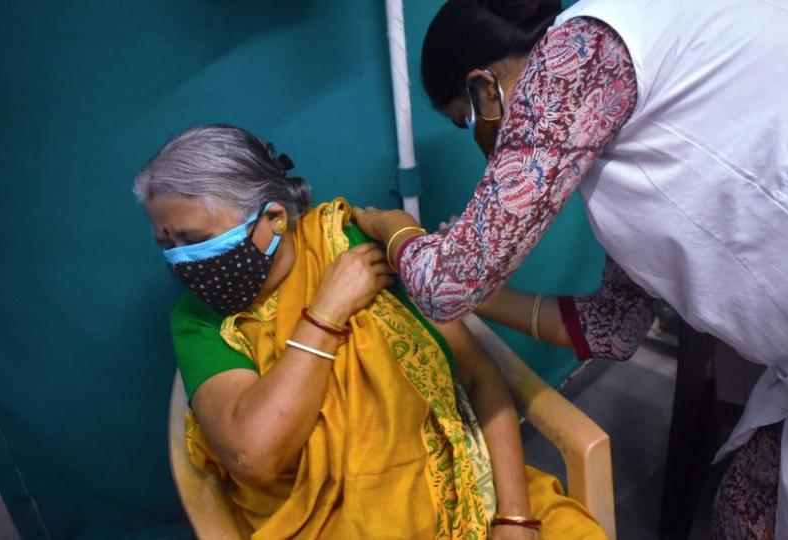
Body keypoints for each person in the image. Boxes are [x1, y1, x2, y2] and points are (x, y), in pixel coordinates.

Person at [354, 0, 788, 537]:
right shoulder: (631, 105)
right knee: (745, 500)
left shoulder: (582, 50)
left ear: (487, 88)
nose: (480, 137)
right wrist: (476, 295)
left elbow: (446, 283)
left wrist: (390, 228)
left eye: (467, 119)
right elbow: (613, 328)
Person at [133, 124, 606, 539]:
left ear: (274, 217)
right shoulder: (199, 319)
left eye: (193, 240)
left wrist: (515, 519)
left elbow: (480, 376)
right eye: (165, 244)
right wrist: (325, 313)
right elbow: (254, 455)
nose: (180, 259)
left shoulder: (351, 245)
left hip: (467, 492)